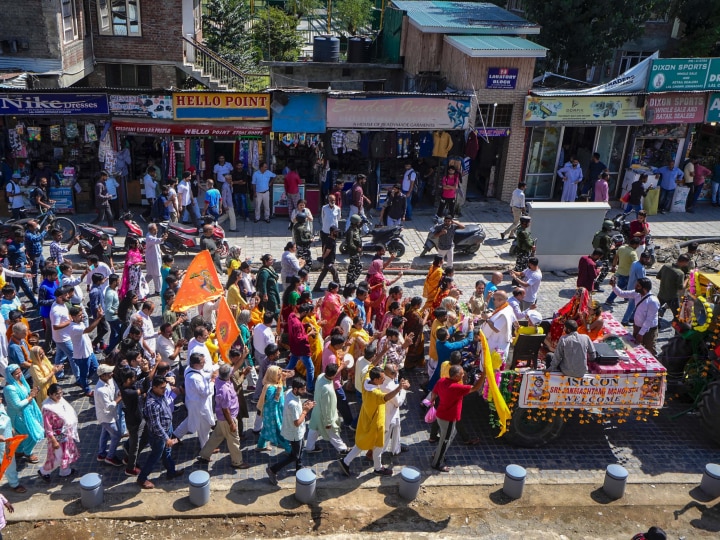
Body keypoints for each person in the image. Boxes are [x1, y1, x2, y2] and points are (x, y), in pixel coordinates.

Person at [338, 367, 410, 477]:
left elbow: (370, 366)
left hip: (366, 419)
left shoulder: (366, 381)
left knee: (362, 443)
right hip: (375, 424)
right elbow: (387, 397)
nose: (383, 380)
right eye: (381, 378)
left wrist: (382, 352)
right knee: (378, 447)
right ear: (375, 380)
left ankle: (346, 461)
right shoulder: (375, 393)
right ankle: (377, 468)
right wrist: (400, 388)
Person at [430, 364, 485, 472]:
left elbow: (434, 392)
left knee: (449, 436)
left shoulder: (441, 381)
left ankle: (437, 453)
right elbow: (476, 387)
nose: (463, 374)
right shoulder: (457, 387)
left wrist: (432, 401)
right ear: (455, 376)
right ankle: (437, 463)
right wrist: (484, 375)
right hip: (448, 418)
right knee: (445, 441)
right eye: (461, 374)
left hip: (441, 415)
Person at [197, 364, 251, 469]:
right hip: (228, 419)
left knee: (216, 436)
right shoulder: (224, 390)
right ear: (227, 375)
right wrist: (231, 423)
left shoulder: (220, 379)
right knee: (234, 440)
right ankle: (237, 462)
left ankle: (204, 454)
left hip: (222, 419)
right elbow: (225, 409)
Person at [266, 378, 315, 485]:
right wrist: (306, 410)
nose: (305, 391)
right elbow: (297, 423)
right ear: (296, 389)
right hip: (295, 432)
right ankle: (273, 470)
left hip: (298, 431)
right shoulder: (293, 404)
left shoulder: (290, 392)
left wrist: (303, 407)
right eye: (302, 390)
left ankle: (299, 467)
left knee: (301, 448)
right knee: (295, 455)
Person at [137, 376, 182, 489]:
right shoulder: (152, 404)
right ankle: (142, 478)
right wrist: (166, 438)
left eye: (165, 387)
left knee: (166, 453)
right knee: (155, 456)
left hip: (167, 429)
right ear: (155, 387)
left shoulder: (158, 393)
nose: (165, 390)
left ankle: (171, 472)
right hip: (159, 436)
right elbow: (156, 424)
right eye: (162, 388)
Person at [37, 383, 79, 482]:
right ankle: (44, 471)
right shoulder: (48, 409)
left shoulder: (60, 401)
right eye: (57, 394)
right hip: (57, 435)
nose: (59, 395)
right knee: (58, 456)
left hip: (65, 431)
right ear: (50, 394)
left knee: (66, 452)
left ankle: (65, 471)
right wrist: (54, 441)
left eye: (61, 393)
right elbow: (48, 427)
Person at [3, 364, 44, 463]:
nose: (19, 374)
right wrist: (31, 397)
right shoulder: (10, 388)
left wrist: (32, 392)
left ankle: (19, 451)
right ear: (10, 375)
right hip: (19, 416)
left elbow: (24, 393)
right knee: (32, 435)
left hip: (27, 413)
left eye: (20, 372)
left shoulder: (20, 382)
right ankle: (27, 452)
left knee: (22, 434)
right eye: (16, 374)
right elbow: (17, 405)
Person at [306, 363, 348, 454]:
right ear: (333, 375)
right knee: (332, 432)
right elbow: (326, 408)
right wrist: (328, 422)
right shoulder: (327, 389)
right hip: (325, 416)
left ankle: (309, 447)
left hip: (316, 409)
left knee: (314, 428)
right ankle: (342, 449)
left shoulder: (321, 376)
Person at [175, 352, 216, 448]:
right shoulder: (195, 378)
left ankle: (176, 435)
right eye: (202, 363)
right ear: (196, 364)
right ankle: (205, 448)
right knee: (204, 426)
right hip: (199, 405)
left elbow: (203, 375)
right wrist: (212, 381)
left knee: (191, 419)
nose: (204, 364)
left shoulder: (190, 369)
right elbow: (205, 392)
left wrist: (211, 374)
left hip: (193, 402)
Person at [68, 306, 104, 397]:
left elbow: (85, 336)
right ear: (73, 317)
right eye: (79, 315)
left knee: (95, 367)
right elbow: (88, 330)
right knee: (84, 374)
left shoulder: (80, 323)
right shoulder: (73, 327)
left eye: (81, 314)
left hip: (89, 351)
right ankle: (86, 389)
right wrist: (98, 318)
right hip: (82, 355)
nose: (82, 316)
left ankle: (81, 381)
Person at [256, 365, 294, 452]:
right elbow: (271, 403)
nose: (280, 376)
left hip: (276, 412)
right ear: (272, 375)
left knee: (266, 429)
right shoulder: (270, 388)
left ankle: (260, 446)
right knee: (279, 433)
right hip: (273, 414)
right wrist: (277, 393)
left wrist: (284, 380)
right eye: (278, 374)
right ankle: (289, 451)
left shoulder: (276, 383)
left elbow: (283, 388)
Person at [94, 363, 124, 466]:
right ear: (102, 376)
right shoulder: (100, 390)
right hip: (106, 417)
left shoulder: (110, 379)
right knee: (117, 435)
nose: (112, 374)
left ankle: (101, 453)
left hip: (111, 415)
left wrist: (119, 392)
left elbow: (115, 388)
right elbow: (109, 406)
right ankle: (110, 457)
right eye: (109, 373)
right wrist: (120, 397)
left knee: (105, 433)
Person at [545, 287, 591, 352]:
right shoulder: (575, 300)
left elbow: (586, 325)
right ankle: (552, 342)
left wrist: (570, 319)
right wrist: (565, 316)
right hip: (572, 319)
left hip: (578, 324)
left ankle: (558, 346)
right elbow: (569, 310)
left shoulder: (584, 309)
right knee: (556, 321)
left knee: (561, 327)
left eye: (577, 294)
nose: (575, 295)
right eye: (576, 293)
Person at [286, 303, 316, 393]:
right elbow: (300, 338)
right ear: (305, 312)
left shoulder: (291, 316)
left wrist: (306, 325)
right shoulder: (298, 324)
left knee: (290, 366)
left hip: (294, 347)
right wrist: (310, 333)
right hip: (302, 349)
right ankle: (310, 388)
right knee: (310, 368)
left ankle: (282, 379)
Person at [0, 395, 26, 493]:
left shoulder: (1, 407)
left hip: (7, 441)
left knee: (8, 462)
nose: (1, 400)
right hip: (2, 443)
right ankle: (14, 484)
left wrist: (11, 428)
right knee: (9, 463)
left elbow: (6, 419)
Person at [621, 250, 652, 326]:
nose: (647, 261)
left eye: (648, 259)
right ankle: (625, 320)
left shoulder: (635, 263)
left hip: (631, 286)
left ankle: (631, 318)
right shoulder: (640, 268)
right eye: (646, 259)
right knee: (631, 305)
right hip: (636, 289)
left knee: (635, 304)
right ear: (641, 258)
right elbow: (642, 281)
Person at [657, 255, 689, 319]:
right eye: (686, 263)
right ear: (683, 262)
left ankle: (656, 323)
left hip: (661, 294)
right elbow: (681, 288)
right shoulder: (680, 273)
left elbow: (658, 276)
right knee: (677, 315)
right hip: (672, 298)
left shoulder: (666, 266)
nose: (687, 264)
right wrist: (687, 279)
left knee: (654, 310)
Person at [145, 223, 165, 295]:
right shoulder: (149, 237)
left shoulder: (153, 235)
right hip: (153, 259)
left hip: (155, 258)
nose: (157, 230)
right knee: (157, 275)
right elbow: (156, 241)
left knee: (150, 274)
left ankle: (141, 284)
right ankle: (158, 290)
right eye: (155, 229)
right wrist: (163, 238)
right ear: (151, 230)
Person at [345, 214, 364, 285]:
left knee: (352, 268)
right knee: (358, 268)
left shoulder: (356, 229)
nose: (359, 223)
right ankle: (351, 281)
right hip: (353, 253)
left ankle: (349, 282)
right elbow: (350, 243)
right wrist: (357, 249)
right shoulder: (350, 231)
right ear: (355, 222)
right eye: (358, 222)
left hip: (357, 252)